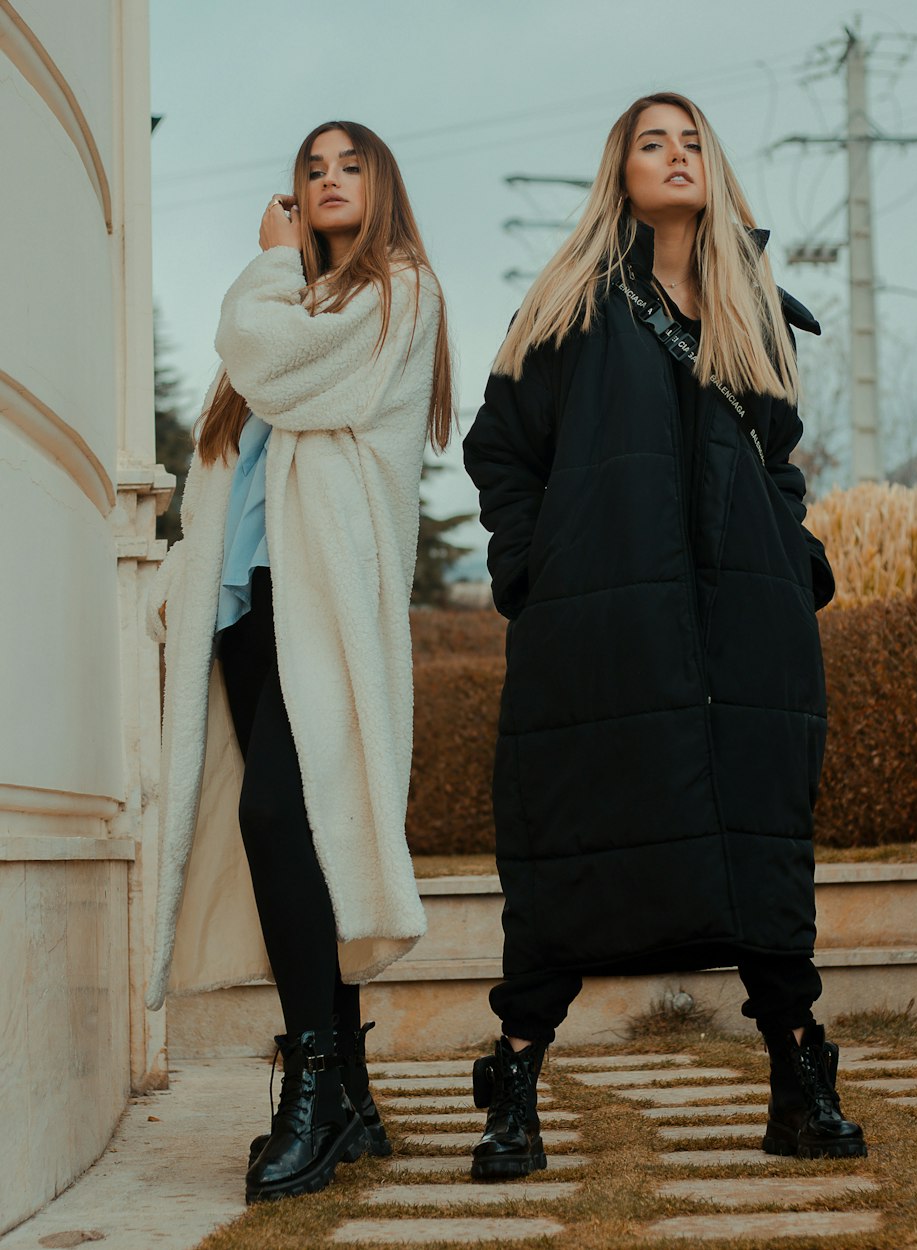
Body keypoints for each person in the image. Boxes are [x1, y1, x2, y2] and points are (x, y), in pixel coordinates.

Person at [463, 92, 866, 1180]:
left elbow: (775, 462)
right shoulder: (569, 306)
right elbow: (500, 451)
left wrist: (797, 561)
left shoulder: (755, 311)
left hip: (747, 622)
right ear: (620, 171)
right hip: (603, 623)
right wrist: (533, 572)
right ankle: (514, 1084)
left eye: (692, 141)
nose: (676, 155)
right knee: (571, 841)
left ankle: (798, 1076)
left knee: (763, 844)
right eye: (654, 142)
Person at [144, 120, 453, 1204]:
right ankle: (353, 1090)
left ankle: (312, 1084)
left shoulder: (398, 293)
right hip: (241, 604)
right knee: (296, 836)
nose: (326, 181)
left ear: (383, 186)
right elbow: (228, 455)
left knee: (281, 815)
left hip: (318, 601)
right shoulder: (293, 312)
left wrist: (271, 260)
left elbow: (269, 358)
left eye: (349, 164)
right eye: (311, 169)